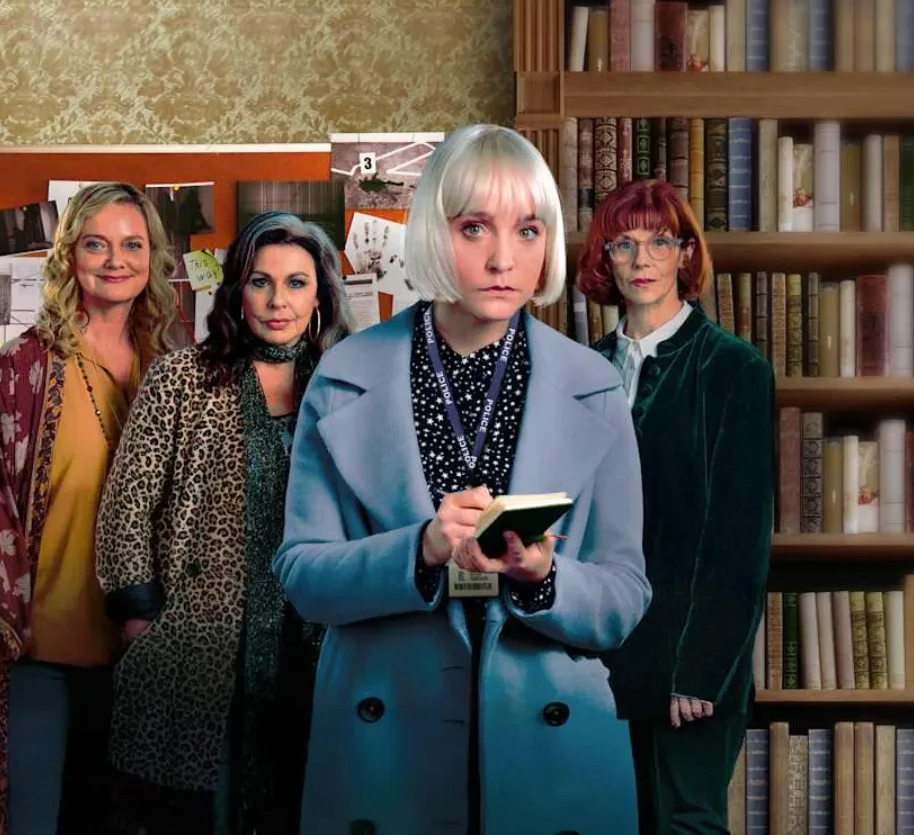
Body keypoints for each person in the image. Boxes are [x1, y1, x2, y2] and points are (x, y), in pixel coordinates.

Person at [271, 123, 651, 835]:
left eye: (529, 229)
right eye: (475, 227)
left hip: (552, 748)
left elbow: (625, 596)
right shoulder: (344, 374)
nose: (505, 257)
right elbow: (301, 576)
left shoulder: (595, 384)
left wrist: (545, 577)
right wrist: (418, 549)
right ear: (431, 234)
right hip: (388, 735)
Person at [93, 210, 352, 834]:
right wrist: (140, 619)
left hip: (310, 640)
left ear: (320, 294)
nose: (277, 300)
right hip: (193, 643)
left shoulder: (344, 390)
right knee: (191, 813)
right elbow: (126, 503)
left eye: (296, 283)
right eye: (261, 281)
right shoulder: (183, 378)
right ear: (237, 289)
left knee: (300, 804)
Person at [0, 182, 182, 835]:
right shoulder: (22, 368)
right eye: (96, 244)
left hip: (146, 657)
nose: (115, 260)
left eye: (132, 244)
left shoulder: (175, 369)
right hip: (37, 651)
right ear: (69, 255)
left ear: (153, 256)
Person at [577, 179, 775, 835]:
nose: (641, 259)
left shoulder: (733, 369)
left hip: (691, 665)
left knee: (686, 824)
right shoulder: (583, 371)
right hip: (598, 659)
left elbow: (738, 536)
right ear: (602, 259)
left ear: (686, 255)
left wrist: (700, 669)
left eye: (659, 242)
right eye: (622, 243)